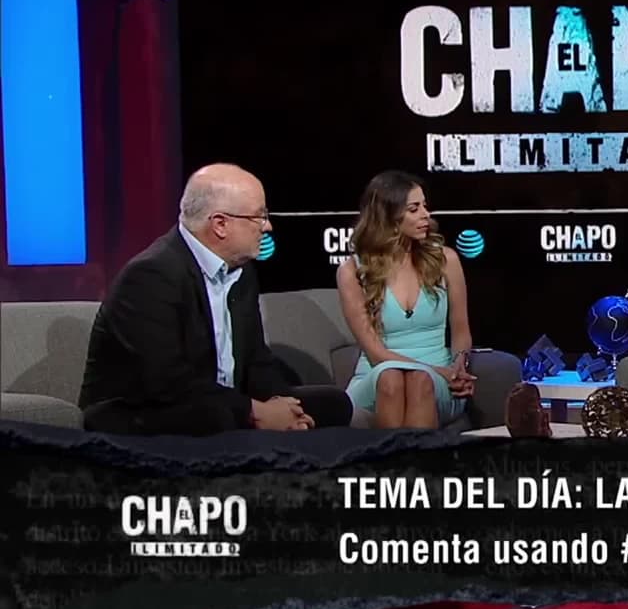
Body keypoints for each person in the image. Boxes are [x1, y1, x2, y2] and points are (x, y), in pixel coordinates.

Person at [79, 164, 354, 435]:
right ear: (221, 224)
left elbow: (256, 362)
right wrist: (255, 411)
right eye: (259, 217)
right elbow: (166, 381)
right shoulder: (150, 275)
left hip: (223, 403)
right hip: (143, 411)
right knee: (212, 416)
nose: (268, 226)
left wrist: (283, 407)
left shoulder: (241, 271)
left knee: (334, 403)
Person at [336, 170, 476, 429]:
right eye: (414, 209)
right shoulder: (352, 271)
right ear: (388, 217)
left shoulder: (446, 260)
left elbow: (460, 331)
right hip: (378, 375)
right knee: (391, 378)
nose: (426, 215)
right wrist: (435, 371)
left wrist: (459, 365)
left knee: (420, 381)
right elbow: (376, 354)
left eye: (425, 206)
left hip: (438, 380)